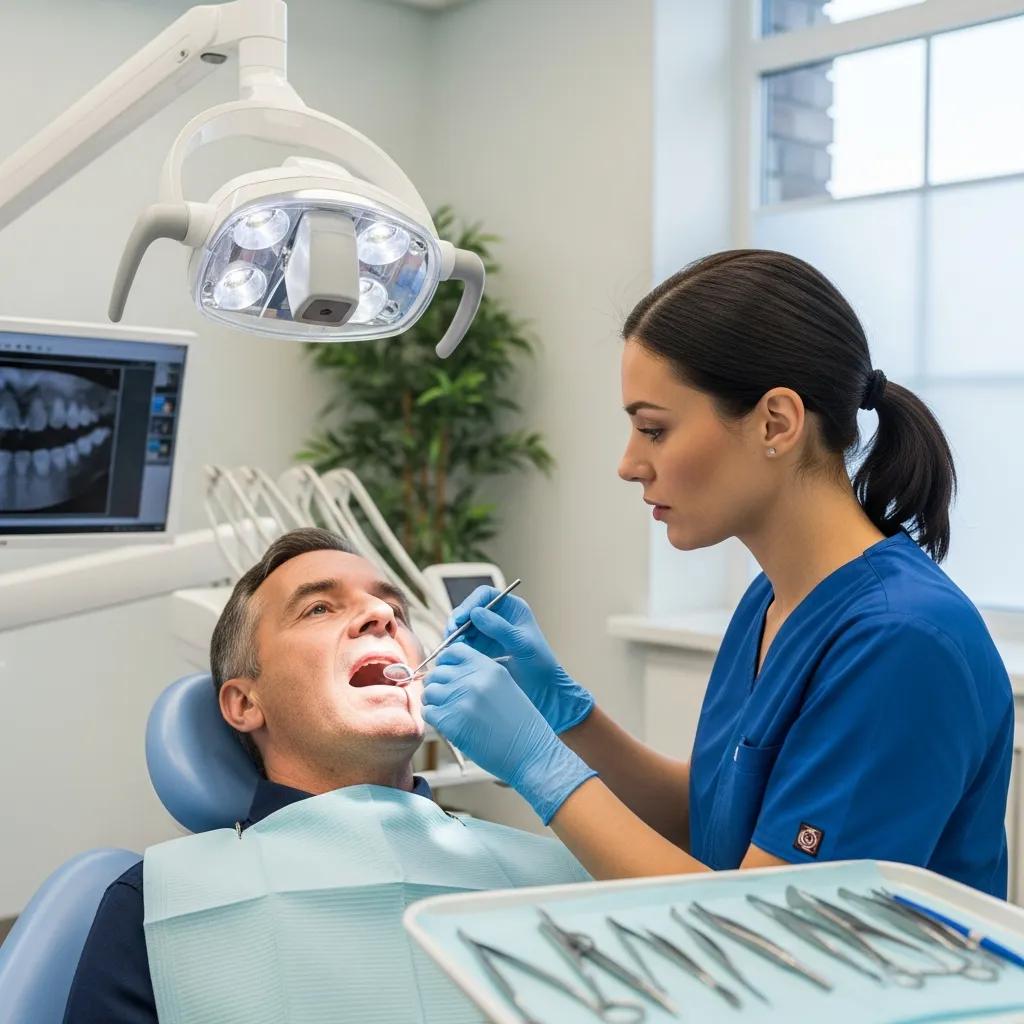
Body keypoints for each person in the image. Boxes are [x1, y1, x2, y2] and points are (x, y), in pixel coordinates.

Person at [422, 249, 1014, 898]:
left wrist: (540, 767)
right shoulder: (774, 599)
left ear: (776, 423)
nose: (628, 464)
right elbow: (706, 820)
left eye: (654, 429)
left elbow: (767, 921)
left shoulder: (903, 642)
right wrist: (565, 713)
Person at [64, 528, 586, 1024]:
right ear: (245, 702)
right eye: (318, 607)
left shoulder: (557, 872)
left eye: (395, 609)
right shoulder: (159, 902)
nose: (381, 615)